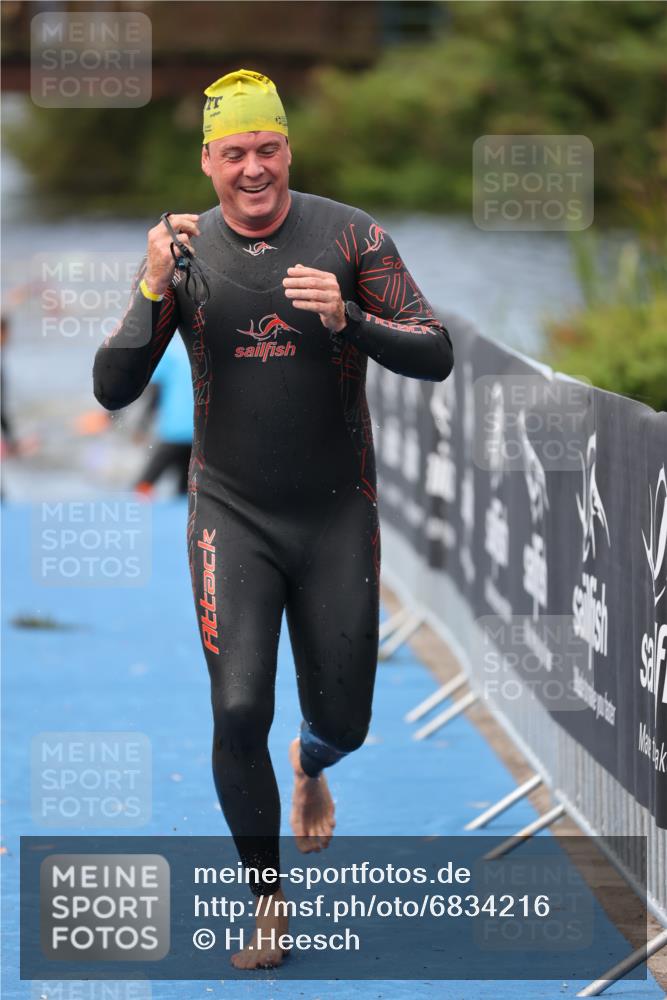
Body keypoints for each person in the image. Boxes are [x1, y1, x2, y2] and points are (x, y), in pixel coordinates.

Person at [93, 68, 453, 969]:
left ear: (287, 148)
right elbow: (111, 387)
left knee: (347, 720)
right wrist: (146, 288)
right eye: (234, 154)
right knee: (237, 708)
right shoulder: (179, 254)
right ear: (207, 160)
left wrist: (350, 322)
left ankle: (313, 765)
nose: (253, 170)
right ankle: (267, 905)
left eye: (268, 149)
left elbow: (435, 351)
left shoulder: (350, 236)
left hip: (337, 515)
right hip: (230, 513)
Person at [133, 334, 193, 497]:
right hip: (201, 434)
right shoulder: (206, 348)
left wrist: (142, 425)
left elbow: (155, 393)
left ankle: (140, 517)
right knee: (186, 491)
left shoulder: (169, 350)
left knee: (143, 485)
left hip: (174, 431)